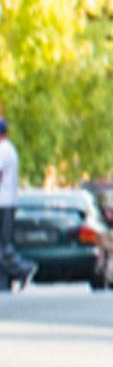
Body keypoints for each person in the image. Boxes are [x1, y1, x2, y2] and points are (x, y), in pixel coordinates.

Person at [0, 117, 32, 292]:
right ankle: (4, 281)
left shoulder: (3, 150)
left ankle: (22, 269)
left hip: (2, 203)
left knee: (4, 245)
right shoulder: (9, 149)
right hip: (8, 201)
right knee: (3, 244)